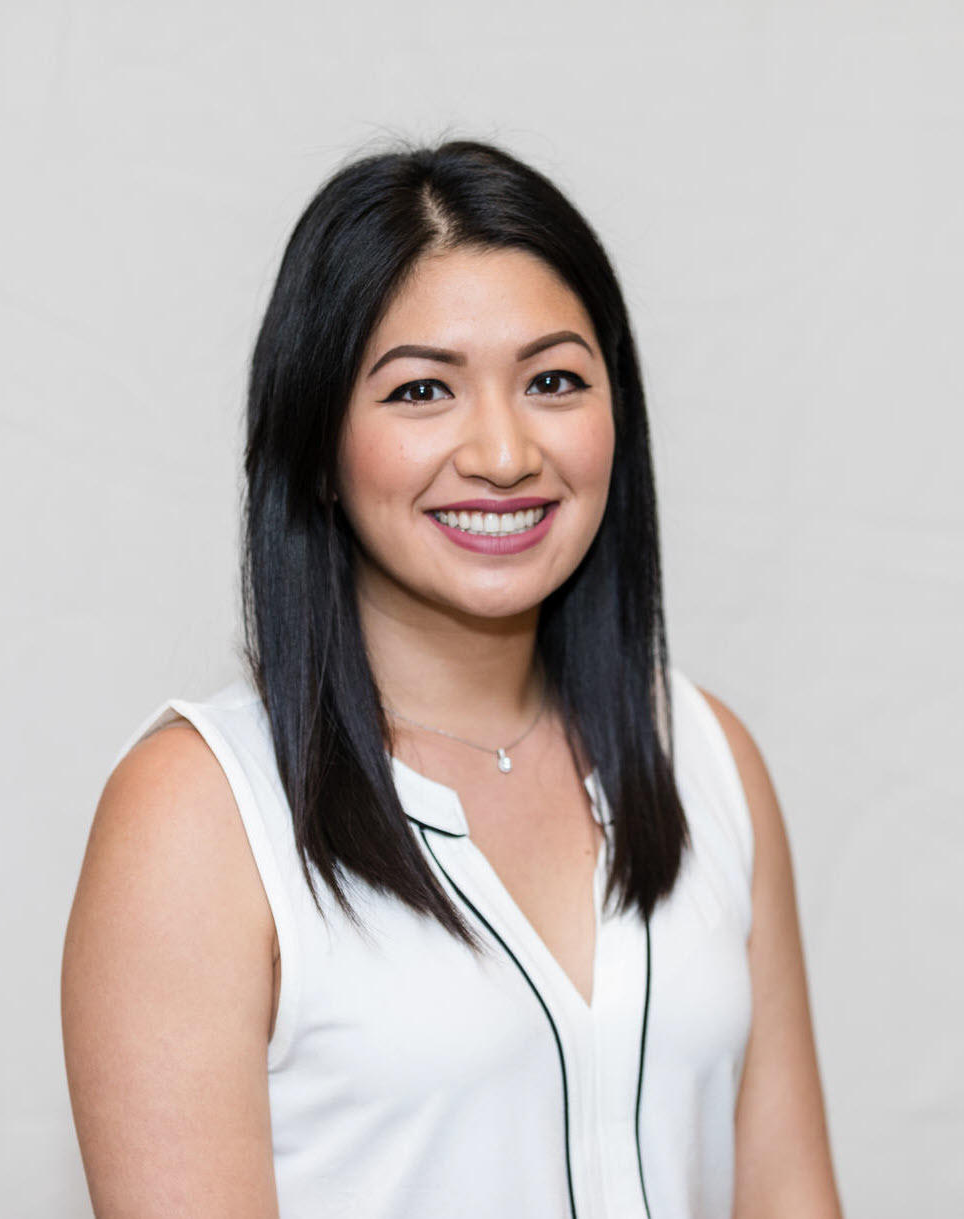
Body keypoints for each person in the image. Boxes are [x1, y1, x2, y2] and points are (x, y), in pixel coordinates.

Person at [61, 138, 843, 1218]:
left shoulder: (704, 755)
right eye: (423, 389)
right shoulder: (197, 813)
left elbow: (790, 1194)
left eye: (553, 380)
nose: (504, 453)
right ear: (317, 445)